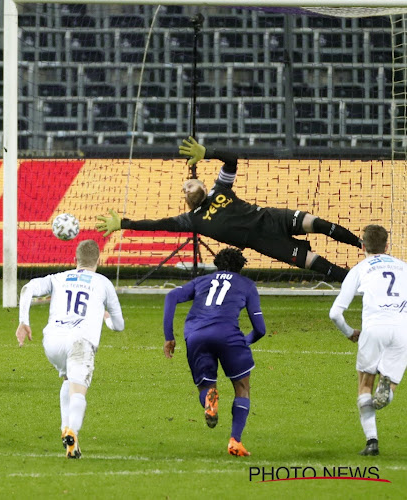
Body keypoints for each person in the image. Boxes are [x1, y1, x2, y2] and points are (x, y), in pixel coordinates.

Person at [96, 137, 361, 282]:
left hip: (271, 218)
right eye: (184, 190)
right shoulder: (191, 220)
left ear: (201, 183)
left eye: (189, 184)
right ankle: (360, 282)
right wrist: (124, 223)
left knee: (320, 225)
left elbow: (233, 160)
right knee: (316, 264)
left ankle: (362, 243)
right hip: (266, 242)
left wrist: (208, 151)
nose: (187, 188)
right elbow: (157, 224)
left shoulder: (219, 189)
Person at [15, 239, 125, 459]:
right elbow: (119, 325)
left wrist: (23, 321)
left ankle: (67, 433)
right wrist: (105, 319)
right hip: (80, 342)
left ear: (75, 260)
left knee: (67, 379)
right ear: (98, 260)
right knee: (78, 391)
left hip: (52, 341)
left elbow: (27, 289)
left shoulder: (58, 277)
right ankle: (73, 430)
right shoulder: (103, 283)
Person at [163, 247, 265, 456]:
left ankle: (210, 403)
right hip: (228, 336)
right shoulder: (247, 285)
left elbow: (171, 296)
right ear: (240, 267)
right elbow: (260, 329)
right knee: (242, 388)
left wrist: (169, 336)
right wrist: (244, 342)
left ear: (217, 264)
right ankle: (235, 441)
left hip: (196, 336)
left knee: (207, 388)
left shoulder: (202, 281)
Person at [329, 224, 407, 456]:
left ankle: (372, 441)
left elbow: (335, 313)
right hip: (402, 328)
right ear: (387, 245)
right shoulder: (403, 267)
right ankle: (389, 392)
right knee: (389, 381)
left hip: (373, 329)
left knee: (364, 385)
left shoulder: (360, 269)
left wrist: (349, 332)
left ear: (363, 245)